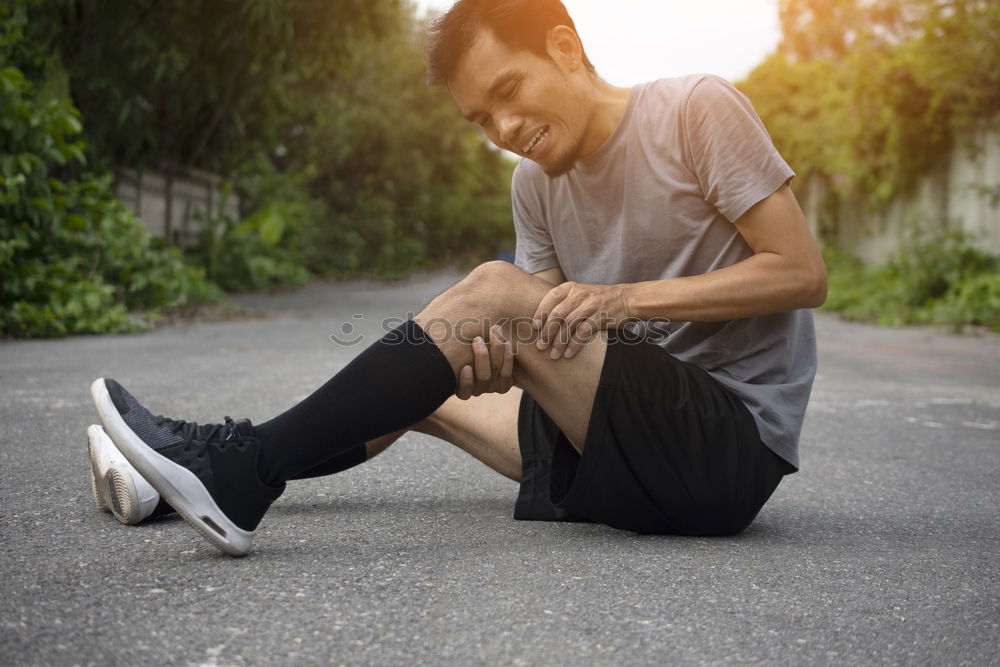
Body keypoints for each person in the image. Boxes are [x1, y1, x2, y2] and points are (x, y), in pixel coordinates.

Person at [87, 0, 826, 556]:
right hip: (622, 440)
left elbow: (800, 272)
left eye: (509, 90)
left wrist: (616, 300)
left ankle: (238, 469)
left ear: (565, 48)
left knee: (488, 290)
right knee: (415, 386)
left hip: (726, 451)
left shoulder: (694, 111)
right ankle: (178, 479)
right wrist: (489, 353)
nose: (503, 129)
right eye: (481, 118)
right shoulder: (535, 186)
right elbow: (539, 331)